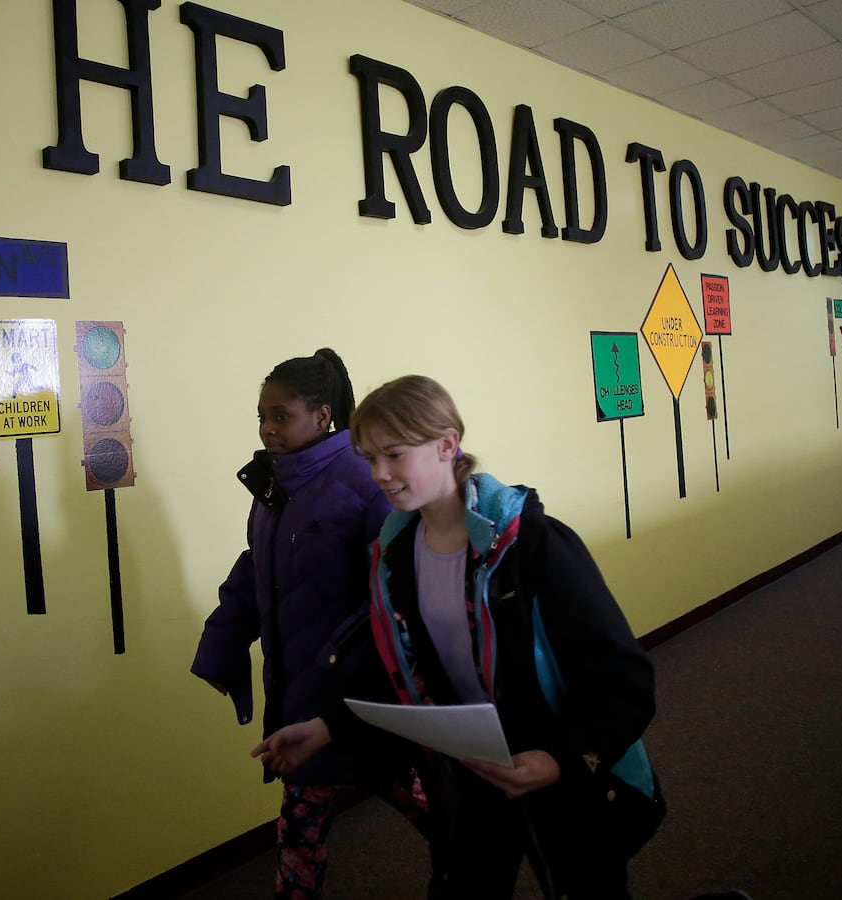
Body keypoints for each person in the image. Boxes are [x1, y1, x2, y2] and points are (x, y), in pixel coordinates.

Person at [253, 374, 659, 900]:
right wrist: (329, 725)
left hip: (556, 765)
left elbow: (620, 674)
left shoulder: (531, 544)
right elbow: (395, 663)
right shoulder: (394, 555)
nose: (379, 474)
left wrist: (561, 758)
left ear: (448, 444)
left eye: (394, 455)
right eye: (369, 457)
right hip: (469, 767)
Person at [192, 349, 424, 900]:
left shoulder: (367, 481)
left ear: (322, 416)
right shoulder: (273, 487)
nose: (268, 429)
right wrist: (222, 645)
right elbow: (256, 571)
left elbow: (393, 597)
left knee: (434, 806)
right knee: (299, 834)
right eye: (262, 416)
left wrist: (357, 683)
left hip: (357, 693)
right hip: (298, 692)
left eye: (281, 415)